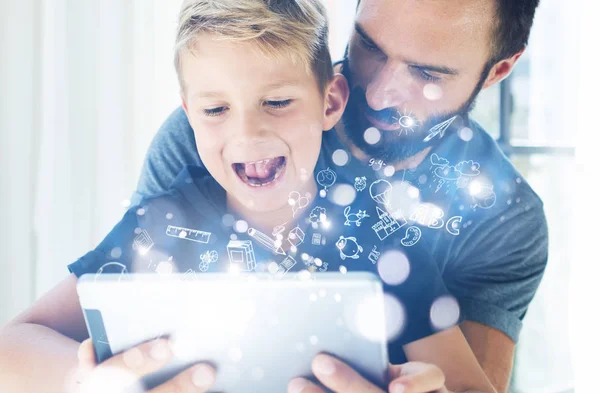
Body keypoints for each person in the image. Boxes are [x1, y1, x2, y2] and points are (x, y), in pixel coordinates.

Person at [0, 1, 496, 393]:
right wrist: (82, 382)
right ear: (188, 115)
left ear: (331, 102)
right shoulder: (156, 229)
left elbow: (472, 385)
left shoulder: (384, 245)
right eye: (215, 109)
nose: (246, 131)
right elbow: (12, 347)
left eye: (277, 102)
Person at [131, 1, 549, 393]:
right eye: (370, 46)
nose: (378, 95)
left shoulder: (504, 223)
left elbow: (466, 386)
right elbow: (121, 320)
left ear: (499, 70)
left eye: (428, 74)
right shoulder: (220, 138)